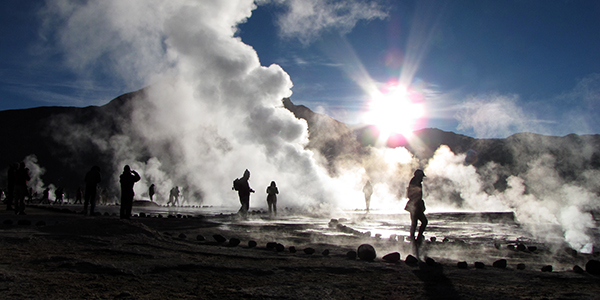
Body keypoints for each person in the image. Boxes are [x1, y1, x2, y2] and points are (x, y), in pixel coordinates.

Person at [405, 169, 428, 247]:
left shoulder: (414, 182)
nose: (422, 178)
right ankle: (417, 238)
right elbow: (415, 195)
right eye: (421, 176)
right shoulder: (415, 183)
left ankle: (413, 237)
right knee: (423, 222)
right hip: (415, 205)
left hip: (414, 205)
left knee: (414, 223)